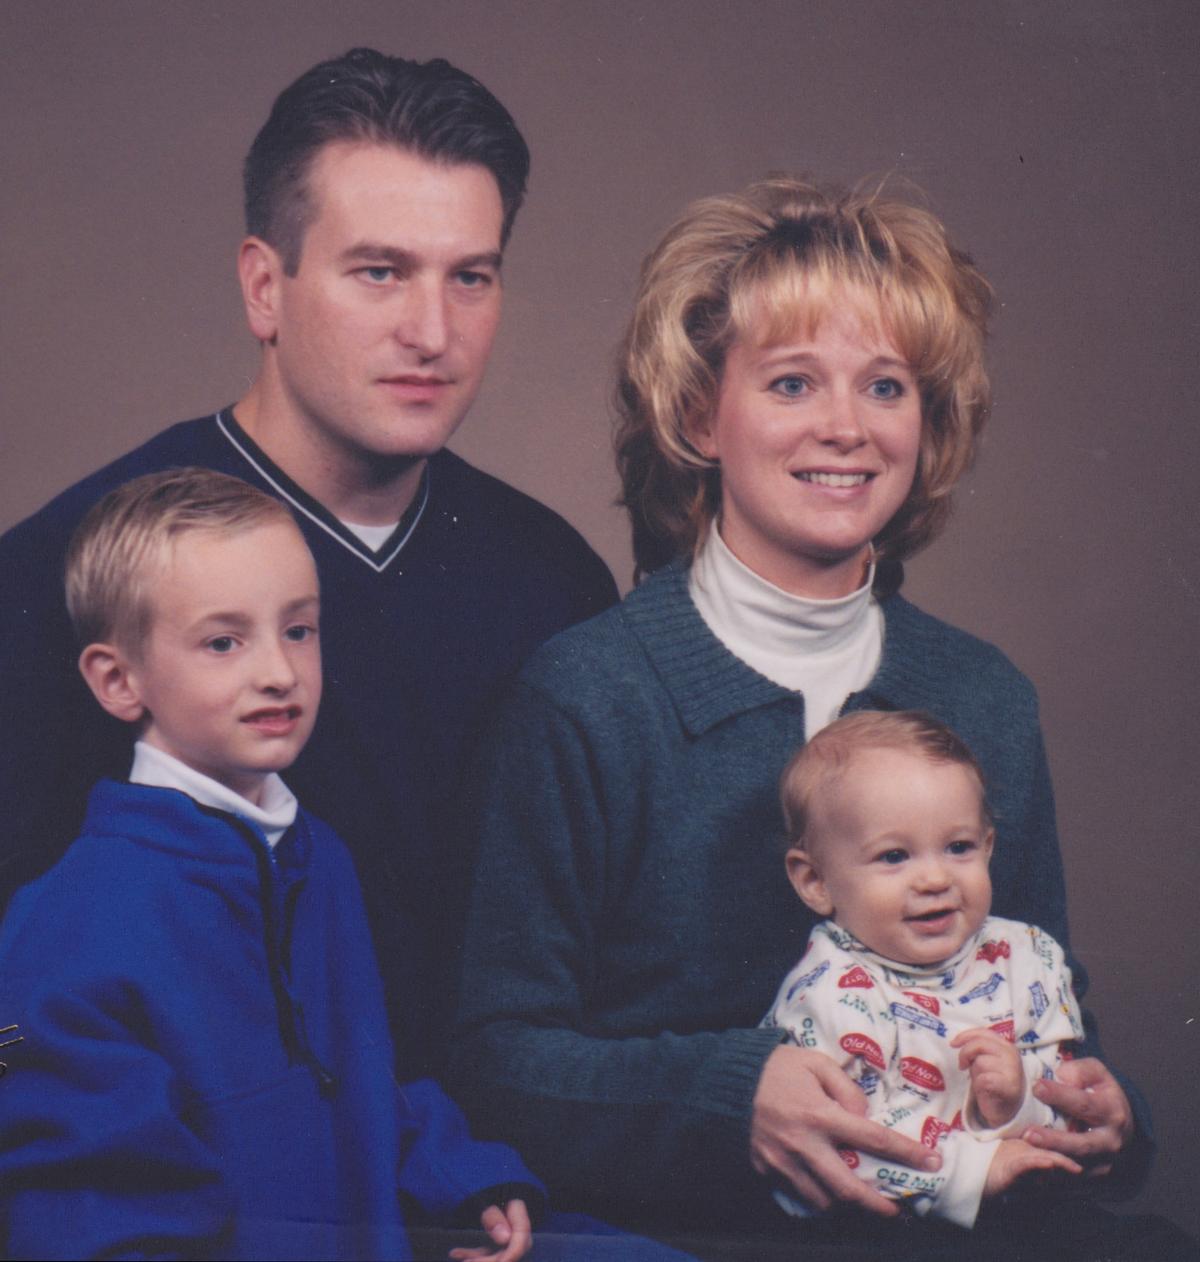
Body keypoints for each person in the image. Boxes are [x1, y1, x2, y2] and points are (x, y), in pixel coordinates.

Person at [449, 177, 1191, 1258]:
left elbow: (1038, 1002)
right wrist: (731, 1092)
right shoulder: (588, 693)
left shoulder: (983, 696)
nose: (844, 428)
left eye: (885, 385)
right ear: (701, 413)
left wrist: (1102, 1112)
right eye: (792, 382)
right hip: (687, 1235)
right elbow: (498, 1055)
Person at [0, 48, 617, 1075]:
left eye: (470, 276)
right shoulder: (62, 572)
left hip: (495, 1185)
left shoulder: (555, 580)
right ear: (263, 286)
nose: (432, 331)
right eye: (379, 271)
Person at [0, 469, 540, 1261]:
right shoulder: (72, 922)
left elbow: (356, 1082)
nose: (280, 673)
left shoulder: (318, 858)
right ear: (119, 681)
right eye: (224, 642)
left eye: (299, 630)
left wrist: (465, 1176)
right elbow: (89, 1211)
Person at [764, 709, 1084, 1229]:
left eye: (958, 848)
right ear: (815, 881)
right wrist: (979, 1169)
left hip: (1019, 1217)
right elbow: (835, 1145)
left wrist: (1017, 1101)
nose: (935, 877)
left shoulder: (1027, 955)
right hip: (857, 1235)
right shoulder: (830, 991)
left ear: (988, 847)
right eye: (893, 856)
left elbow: (1065, 1093)